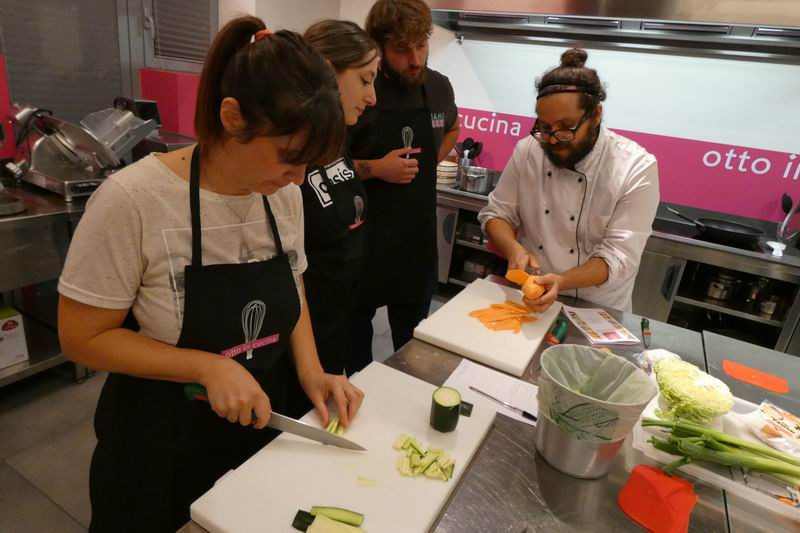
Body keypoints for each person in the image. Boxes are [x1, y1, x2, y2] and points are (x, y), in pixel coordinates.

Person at [57, 17, 364, 532]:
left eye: (308, 165)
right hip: (156, 450)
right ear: (232, 117)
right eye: (289, 158)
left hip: (252, 432)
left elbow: (293, 282)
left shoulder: (283, 195)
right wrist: (207, 367)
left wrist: (311, 370)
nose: (298, 179)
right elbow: (81, 337)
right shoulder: (133, 200)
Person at [479, 48, 659, 313]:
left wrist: (561, 281)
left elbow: (618, 257)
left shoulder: (635, 166)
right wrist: (514, 249)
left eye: (566, 128)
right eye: (545, 128)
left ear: (595, 115)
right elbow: (496, 213)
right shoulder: (528, 151)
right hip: (529, 299)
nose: (553, 139)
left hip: (596, 309)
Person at [348, 0, 460, 372]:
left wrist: (431, 160)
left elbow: (454, 127)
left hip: (415, 245)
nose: (415, 59)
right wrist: (377, 169)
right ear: (378, 47)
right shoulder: (359, 90)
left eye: (421, 45)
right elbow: (324, 167)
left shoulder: (439, 86)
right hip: (361, 244)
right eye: (401, 50)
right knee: (355, 346)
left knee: (413, 349)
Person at [301, 21, 379, 375]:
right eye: (365, 80)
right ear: (328, 73)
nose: (372, 97)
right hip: (305, 329)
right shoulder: (290, 155)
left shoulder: (337, 139)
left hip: (339, 317)